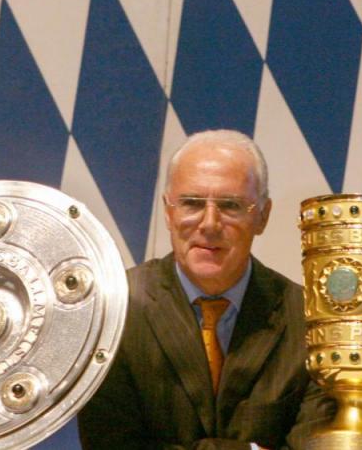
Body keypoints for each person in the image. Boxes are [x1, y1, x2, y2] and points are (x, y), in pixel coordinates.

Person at [78, 130, 333, 449]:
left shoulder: (313, 319)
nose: (210, 223)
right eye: (192, 203)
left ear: (263, 217)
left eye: (231, 205)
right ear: (169, 212)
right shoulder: (114, 310)